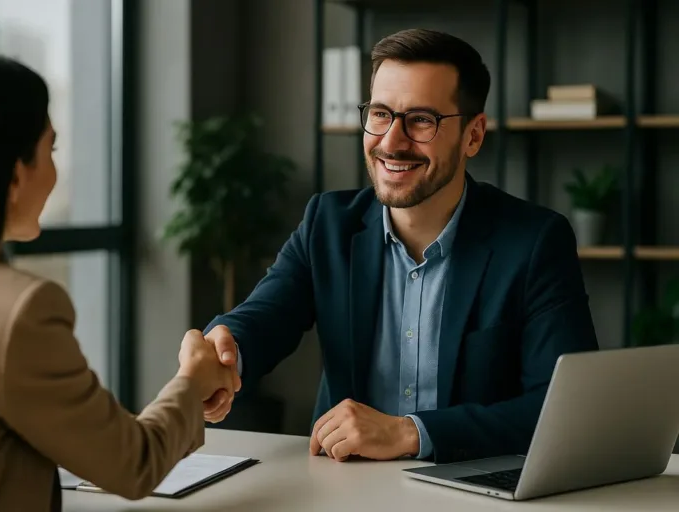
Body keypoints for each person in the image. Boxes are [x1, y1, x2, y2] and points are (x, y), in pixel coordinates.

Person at [201, 28, 599, 463]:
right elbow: (264, 319)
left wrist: (411, 433)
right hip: (345, 486)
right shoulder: (328, 224)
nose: (391, 141)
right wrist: (223, 349)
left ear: (473, 135)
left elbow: (564, 407)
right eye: (380, 114)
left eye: (421, 120)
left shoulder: (534, 241)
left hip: (471, 490)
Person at [0, 48, 239, 512]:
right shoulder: (15, 310)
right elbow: (132, 463)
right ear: (13, 174)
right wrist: (193, 379)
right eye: (51, 149)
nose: (55, 170)